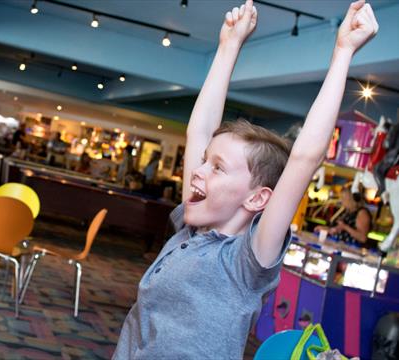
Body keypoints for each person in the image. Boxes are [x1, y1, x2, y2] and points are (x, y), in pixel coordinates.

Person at [113, 1, 378, 358]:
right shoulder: (190, 235)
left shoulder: (244, 262)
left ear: (256, 199)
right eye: (205, 162)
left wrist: (343, 51)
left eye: (217, 168)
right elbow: (200, 132)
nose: (198, 172)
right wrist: (228, 46)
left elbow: (304, 157)